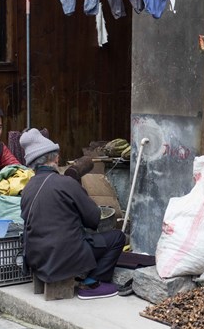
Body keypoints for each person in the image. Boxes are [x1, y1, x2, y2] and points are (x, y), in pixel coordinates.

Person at [19, 128, 126, 299]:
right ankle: (93, 283)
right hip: (61, 258)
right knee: (117, 237)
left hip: (35, 258)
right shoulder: (66, 183)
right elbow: (94, 219)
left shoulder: (27, 188)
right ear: (55, 158)